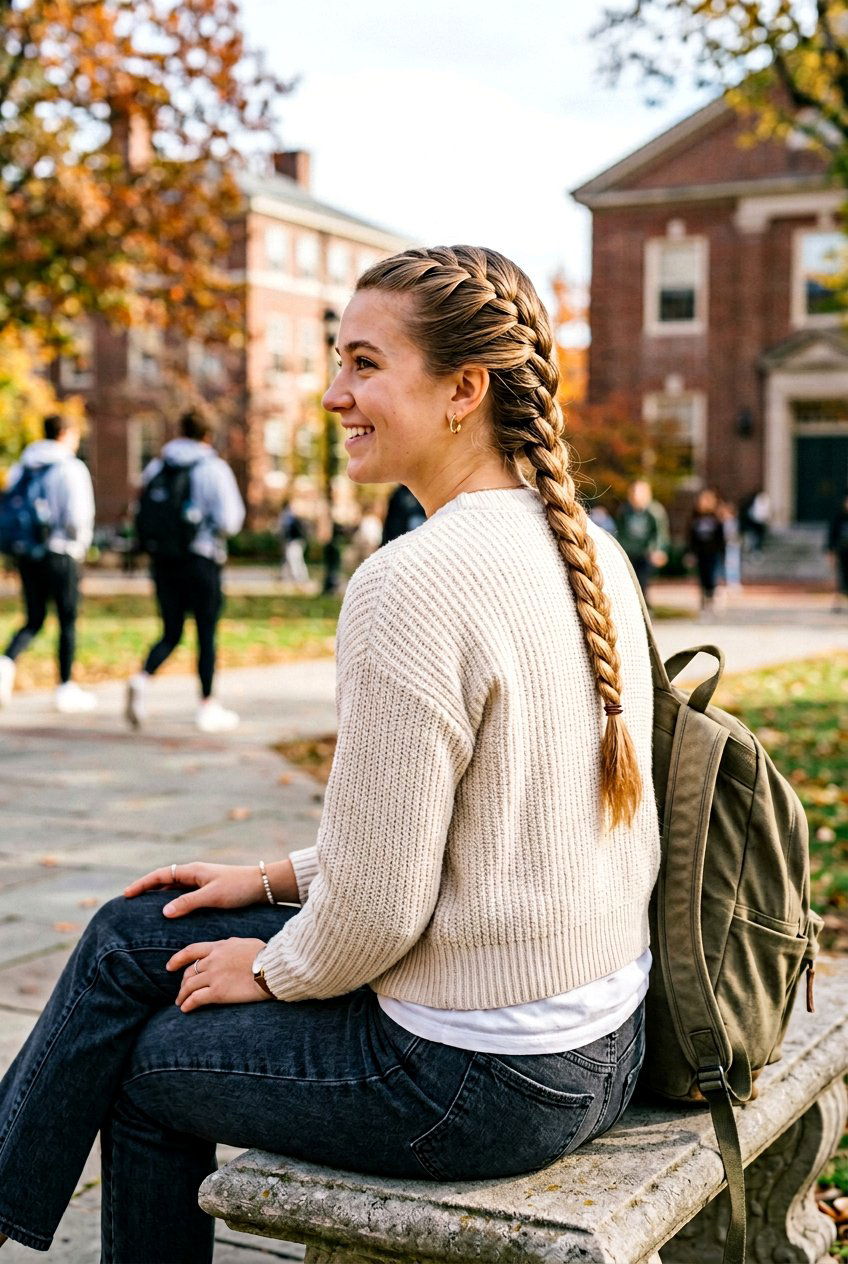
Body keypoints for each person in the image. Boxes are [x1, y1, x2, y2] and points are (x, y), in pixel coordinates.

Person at [0, 246, 660, 1262]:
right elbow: (480, 828)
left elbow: (378, 914)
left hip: (475, 1080)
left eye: (360, 363)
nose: (330, 393)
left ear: (460, 391)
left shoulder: (412, 581)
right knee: (137, 928)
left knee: (142, 1061)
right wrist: (264, 880)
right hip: (598, 1042)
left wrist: (272, 962)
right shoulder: (589, 549)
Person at [125, 409, 245, 734]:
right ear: (208, 435)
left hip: (163, 561)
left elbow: (140, 511)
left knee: (171, 631)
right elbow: (230, 521)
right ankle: (207, 706)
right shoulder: (213, 468)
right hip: (201, 560)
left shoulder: (157, 466)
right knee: (206, 634)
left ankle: (142, 679)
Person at [0, 414, 96, 714]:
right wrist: (79, 546)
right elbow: (76, 517)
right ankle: (65, 686)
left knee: (34, 618)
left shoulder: (23, 466)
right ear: (66, 433)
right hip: (61, 552)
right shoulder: (71, 467)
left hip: (27, 553)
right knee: (67, 619)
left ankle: (5, 663)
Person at [615, 479, 669, 601]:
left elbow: (660, 533)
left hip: (646, 551)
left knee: (643, 578)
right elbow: (620, 532)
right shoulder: (625, 511)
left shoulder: (654, 511)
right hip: (630, 550)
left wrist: (658, 550)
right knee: (628, 578)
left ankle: (644, 602)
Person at [687, 488, 726, 613]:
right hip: (700, 553)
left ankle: (712, 599)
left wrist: (722, 553)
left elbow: (721, 538)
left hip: (713, 553)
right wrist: (690, 552)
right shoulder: (695, 518)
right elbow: (690, 537)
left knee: (712, 577)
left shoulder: (716, 518)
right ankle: (704, 601)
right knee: (702, 577)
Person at [826, 491, 848, 613]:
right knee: (839, 580)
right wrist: (831, 553)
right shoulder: (838, 518)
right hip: (842, 553)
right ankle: (836, 603)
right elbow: (831, 537)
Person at [278, 502, 309, 585]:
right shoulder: (294, 519)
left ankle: (298, 577)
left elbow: (287, 532)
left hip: (294, 542)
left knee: (294, 560)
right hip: (297, 542)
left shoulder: (290, 519)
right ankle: (285, 576)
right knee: (292, 559)